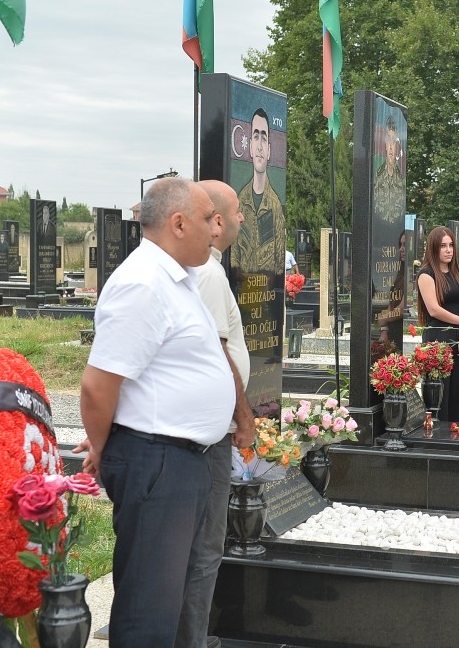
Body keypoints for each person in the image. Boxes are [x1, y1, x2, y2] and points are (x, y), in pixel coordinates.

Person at [78, 177, 243, 646]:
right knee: (148, 610)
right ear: (177, 223)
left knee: (168, 601)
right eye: (209, 218)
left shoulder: (178, 276)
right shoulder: (143, 283)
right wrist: (105, 449)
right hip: (157, 461)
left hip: (180, 459)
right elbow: (97, 385)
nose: (216, 229)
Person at [189, 180, 257, 648]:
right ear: (214, 221)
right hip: (214, 433)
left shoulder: (205, 270)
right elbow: (221, 355)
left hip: (206, 427)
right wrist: (244, 417)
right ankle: (193, 638)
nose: (242, 220)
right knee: (205, 549)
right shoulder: (210, 275)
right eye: (236, 212)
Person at [416, 226, 459, 423]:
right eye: (443, 246)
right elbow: (434, 309)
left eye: (451, 245)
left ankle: (458, 431)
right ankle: (437, 434)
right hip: (437, 340)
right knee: (439, 391)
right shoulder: (426, 274)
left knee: (457, 388)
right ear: (433, 248)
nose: (448, 250)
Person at [233, 108, 285, 278]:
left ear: (269, 150)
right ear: (250, 147)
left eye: (264, 137)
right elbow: (234, 256)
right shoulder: (240, 201)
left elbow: (279, 262)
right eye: (256, 137)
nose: (260, 146)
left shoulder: (275, 205)